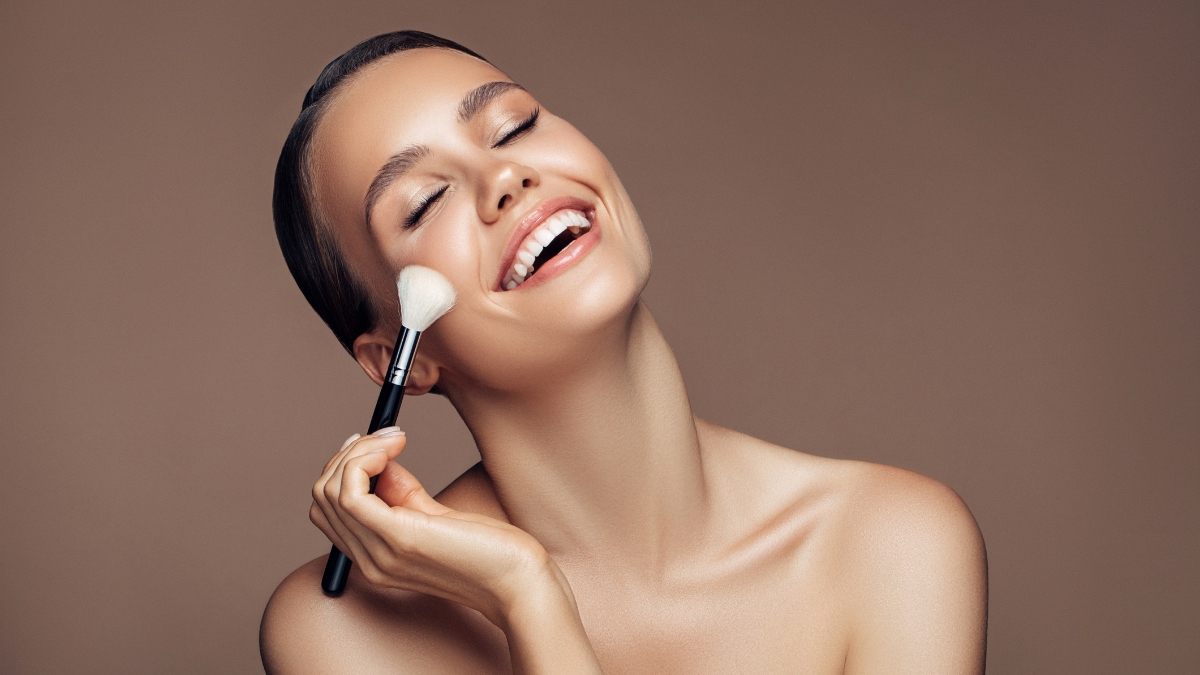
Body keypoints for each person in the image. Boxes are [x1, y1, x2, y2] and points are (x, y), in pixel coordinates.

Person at [260, 31, 987, 674]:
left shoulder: (896, 545)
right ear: (402, 357)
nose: (505, 178)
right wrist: (526, 591)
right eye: (425, 202)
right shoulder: (340, 632)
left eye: (514, 126)